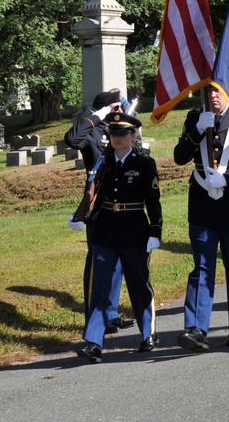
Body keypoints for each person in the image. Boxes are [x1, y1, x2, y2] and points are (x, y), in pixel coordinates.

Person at [173, 86, 229, 352]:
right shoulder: (195, 118)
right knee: (201, 266)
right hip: (202, 205)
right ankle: (196, 328)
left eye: (218, 91)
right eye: (209, 92)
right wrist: (197, 131)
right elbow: (180, 157)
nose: (213, 96)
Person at [76, 113, 161, 363]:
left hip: (134, 230)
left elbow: (153, 202)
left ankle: (148, 333)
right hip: (104, 230)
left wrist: (155, 231)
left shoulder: (144, 163)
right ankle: (93, 342)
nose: (116, 138)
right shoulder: (103, 163)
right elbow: (93, 194)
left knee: (138, 284)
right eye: (113, 134)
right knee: (100, 288)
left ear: (132, 136)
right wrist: (80, 215)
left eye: (122, 134)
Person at [65, 89, 133, 336]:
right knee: (97, 266)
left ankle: (111, 315)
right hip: (99, 207)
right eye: (115, 108)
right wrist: (96, 116)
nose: (120, 111)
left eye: (120, 107)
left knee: (117, 265)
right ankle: (94, 318)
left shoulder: (122, 131)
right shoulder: (92, 132)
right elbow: (72, 140)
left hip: (124, 206)